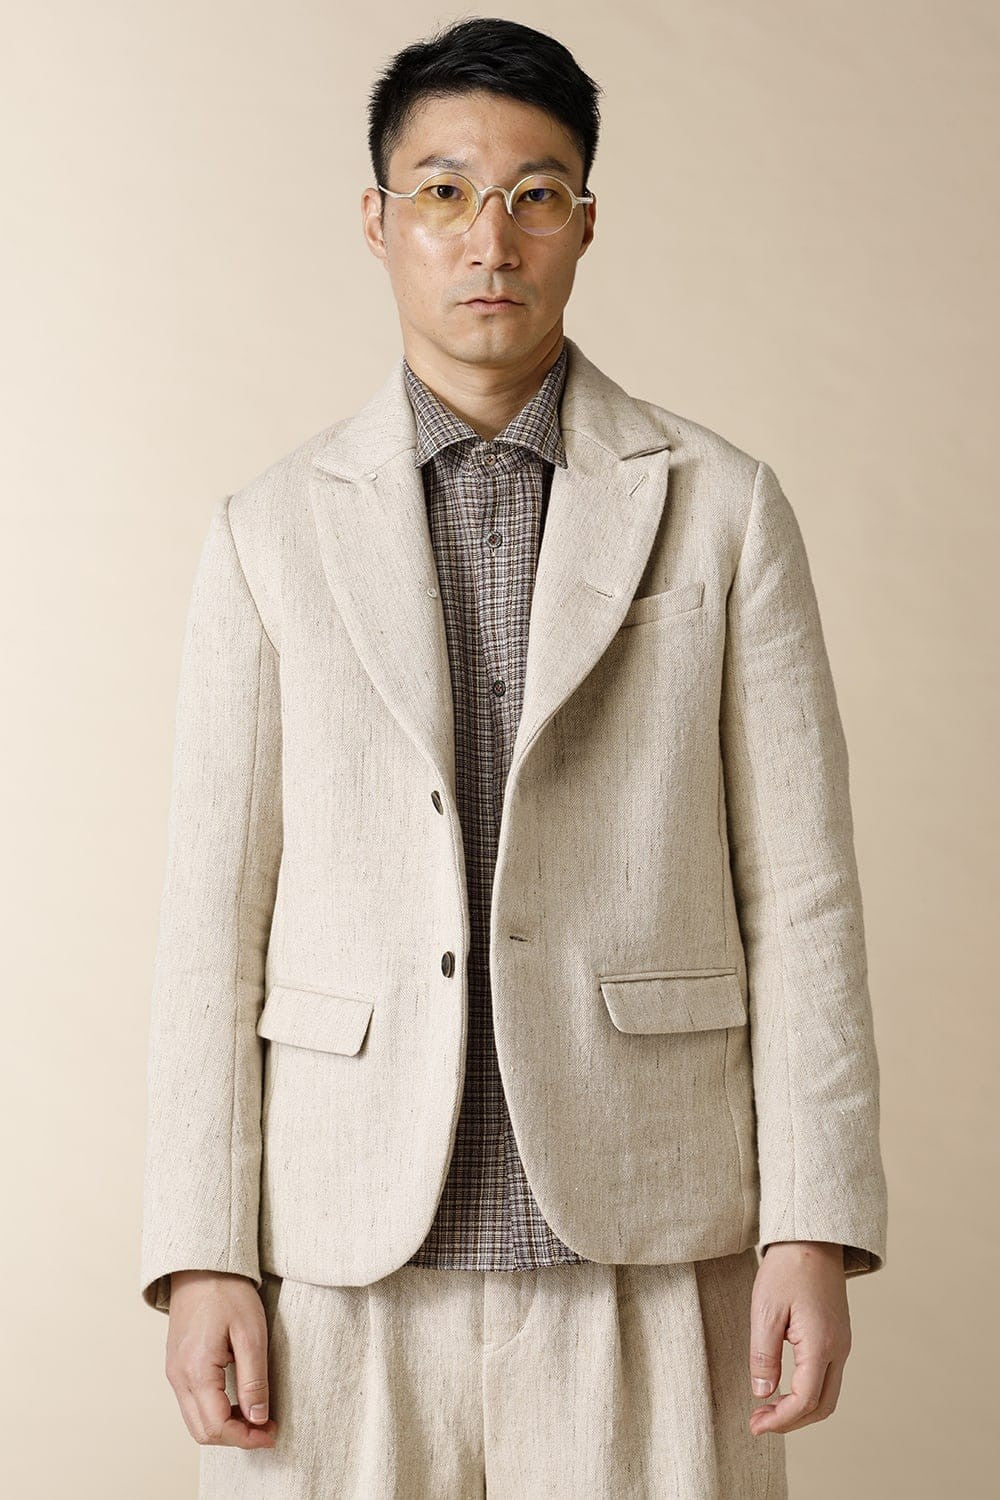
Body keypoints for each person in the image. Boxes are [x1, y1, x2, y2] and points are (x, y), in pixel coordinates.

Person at [140, 16, 888, 1499]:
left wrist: (814, 1220)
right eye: (444, 192)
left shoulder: (724, 507)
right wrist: (201, 1248)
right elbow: (212, 915)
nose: (490, 239)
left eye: (535, 194)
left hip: (648, 1227)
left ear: (585, 223)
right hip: (343, 1241)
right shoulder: (268, 531)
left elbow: (802, 892)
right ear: (379, 221)